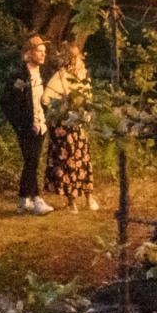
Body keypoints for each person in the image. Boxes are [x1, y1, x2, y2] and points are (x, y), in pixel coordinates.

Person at [0, 35, 53, 214]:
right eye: (40, 51)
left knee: (32, 162)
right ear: (29, 53)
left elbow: (44, 100)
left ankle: (23, 199)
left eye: (44, 52)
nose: (43, 55)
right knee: (31, 161)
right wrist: (19, 124)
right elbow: (6, 102)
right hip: (26, 127)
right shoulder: (19, 75)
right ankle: (36, 199)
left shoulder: (43, 74)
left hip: (41, 126)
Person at [43, 39, 97, 212]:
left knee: (83, 161)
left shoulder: (83, 77)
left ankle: (88, 198)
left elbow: (89, 99)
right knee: (69, 162)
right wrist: (62, 104)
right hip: (65, 126)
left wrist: (86, 115)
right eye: (76, 58)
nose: (79, 60)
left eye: (79, 57)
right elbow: (46, 97)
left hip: (79, 125)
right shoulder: (61, 76)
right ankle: (72, 201)